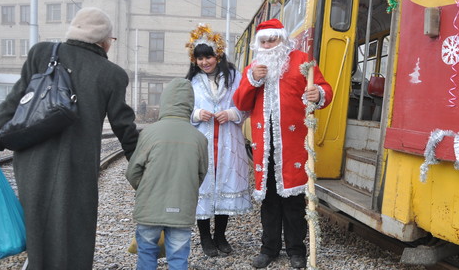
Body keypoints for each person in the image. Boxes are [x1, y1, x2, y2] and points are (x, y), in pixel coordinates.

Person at [0, 7, 139, 269]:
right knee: (75, 226)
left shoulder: (42, 53)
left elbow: (16, 99)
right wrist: (142, 164)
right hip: (77, 163)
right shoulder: (112, 74)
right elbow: (124, 127)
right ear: (103, 40)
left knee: (36, 221)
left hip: (33, 158)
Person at [232, 19, 333, 269]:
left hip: (292, 144)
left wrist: (318, 94)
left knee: (293, 200)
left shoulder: (301, 61)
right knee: (268, 200)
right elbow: (241, 104)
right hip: (264, 145)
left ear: (282, 39)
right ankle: (269, 249)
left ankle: (296, 251)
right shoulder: (253, 67)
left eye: (272, 40)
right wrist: (251, 81)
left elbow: (324, 89)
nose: (268, 44)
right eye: (264, 41)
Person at [126, 78, 208, 270]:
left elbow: (133, 172)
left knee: (146, 253)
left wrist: (146, 188)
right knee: (178, 258)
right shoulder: (199, 138)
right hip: (181, 209)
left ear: (165, 102)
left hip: (150, 207)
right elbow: (201, 174)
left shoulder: (149, 132)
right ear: (190, 104)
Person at [185, 24, 252, 257]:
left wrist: (232, 113)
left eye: (209, 56)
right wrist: (195, 114)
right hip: (201, 140)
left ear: (218, 55)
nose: (205, 62)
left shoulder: (235, 77)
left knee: (224, 184)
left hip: (228, 141)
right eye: (200, 58)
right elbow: (182, 109)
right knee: (203, 185)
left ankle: (220, 235)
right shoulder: (191, 82)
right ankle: (205, 237)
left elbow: (246, 105)